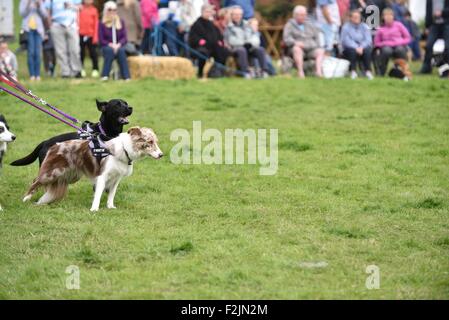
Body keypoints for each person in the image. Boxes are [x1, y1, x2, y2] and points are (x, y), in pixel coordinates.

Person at [224, 6, 269, 78]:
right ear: (232, 16)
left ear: (242, 15)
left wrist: (250, 43)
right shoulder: (229, 27)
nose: (237, 16)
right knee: (242, 50)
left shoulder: (247, 24)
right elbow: (231, 40)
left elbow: (255, 36)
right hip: (236, 48)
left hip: (250, 46)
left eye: (239, 14)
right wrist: (244, 43)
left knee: (260, 49)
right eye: (235, 14)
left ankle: (264, 71)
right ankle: (245, 72)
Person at [282, 5, 325, 78]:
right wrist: (295, 42)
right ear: (295, 15)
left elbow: (317, 38)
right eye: (302, 15)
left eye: (305, 15)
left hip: (310, 48)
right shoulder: (289, 25)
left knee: (320, 51)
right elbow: (286, 39)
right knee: (297, 49)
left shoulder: (310, 25)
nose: (304, 17)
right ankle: (300, 72)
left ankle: (318, 72)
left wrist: (316, 46)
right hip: (296, 50)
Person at [188, 4, 230, 78]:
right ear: (202, 12)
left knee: (224, 51)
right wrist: (199, 41)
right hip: (201, 47)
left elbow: (218, 36)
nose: (208, 14)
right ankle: (200, 73)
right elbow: (192, 38)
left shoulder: (212, 24)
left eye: (209, 12)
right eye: (206, 12)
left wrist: (220, 41)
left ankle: (216, 71)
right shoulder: (196, 24)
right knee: (202, 52)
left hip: (212, 46)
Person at [45, 0, 82, 78]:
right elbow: (47, 11)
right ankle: (65, 72)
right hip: (57, 24)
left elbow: (80, 8)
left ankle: (76, 71)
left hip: (71, 25)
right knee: (61, 51)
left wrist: (71, 6)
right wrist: (50, 26)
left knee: (75, 49)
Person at [99, 1, 131, 81]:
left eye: (114, 10)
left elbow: (124, 37)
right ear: (106, 11)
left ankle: (126, 76)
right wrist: (110, 45)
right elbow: (101, 39)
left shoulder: (121, 22)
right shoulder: (102, 24)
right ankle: (105, 75)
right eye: (110, 10)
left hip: (118, 46)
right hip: (107, 46)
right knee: (109, 51)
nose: (112, 12)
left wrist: (118, 44)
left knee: (121, 51)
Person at [374, 8, 411, 76]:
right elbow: (376, 43)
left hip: (399, 45)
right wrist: (385, 43)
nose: (388, 17)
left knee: (400, 50)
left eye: (390, 15)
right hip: (386, 47)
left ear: (393, 16)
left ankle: (403, 71)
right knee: (386, 51)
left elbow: (408, 38)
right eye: (386, 15)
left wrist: (400, 42)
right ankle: (381, 72)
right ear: (383, 17)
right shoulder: (380, 28)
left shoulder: (399, 25)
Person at [341, 9, 374, 79]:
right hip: (350, 48)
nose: (357, 19)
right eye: (355, 17)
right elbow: (346, 41)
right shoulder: (346, 27)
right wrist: (356, 47)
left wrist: (361, 47)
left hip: (362, 47)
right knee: (352, 51)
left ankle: (368, 71)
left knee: (367, 50)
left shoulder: (365, 26)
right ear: (350, 18)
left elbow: (368, 40)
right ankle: (353, 71)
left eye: (358, 17)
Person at [20, 0, 47, 81]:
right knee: (31, 52)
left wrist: (39, 6)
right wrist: (28, 4)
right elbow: (22, 14)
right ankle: (32, 75)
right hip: (28, 30)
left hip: (38, 30)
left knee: (37, 53)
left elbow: (44, 15)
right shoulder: (24, 1)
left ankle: (37, 74)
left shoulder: (40, 1)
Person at [420, 0, 449, 74]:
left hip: (446, 24)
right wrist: (427, 26)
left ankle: (446, 67)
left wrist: (442, 12)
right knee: (429, 45)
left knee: (447, 46)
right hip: (434, 25)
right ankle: (426, 67)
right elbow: (428, 12)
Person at [78, 0, 99, 78]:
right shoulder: (80, 9)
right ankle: (81, 69)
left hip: (91, 35)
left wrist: (95, 36)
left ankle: (95, 69)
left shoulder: (94, 10)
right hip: (81, 34)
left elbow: (96, 24)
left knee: (93, 53)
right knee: (81, 53)